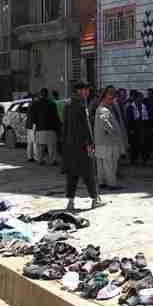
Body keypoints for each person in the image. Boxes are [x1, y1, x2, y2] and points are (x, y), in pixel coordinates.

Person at [63, 82, 102, 210]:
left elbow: (65, 126)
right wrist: (91, 143)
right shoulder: (81, 104)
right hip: (82, 145)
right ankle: (95, 199)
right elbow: (86, 126)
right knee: (89, 173)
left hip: (70, 146)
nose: (88, 92)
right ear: (81, 91)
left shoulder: (67, 104)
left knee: (72, 175)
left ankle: (70, 202)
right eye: (86, 90)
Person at [94, 86, 125, 191]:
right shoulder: (103, 109)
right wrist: (113, 133)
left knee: (102, 165)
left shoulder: (101, 108)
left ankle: (102, 182)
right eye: (109, 97)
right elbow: (105, 124)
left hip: (101, 142)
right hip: (108, 142)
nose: (111, 99)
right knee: (110, 164)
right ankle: (112, 184)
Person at [31, 88, 61, 166]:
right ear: (47, 95)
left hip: (40, 128)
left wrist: (36, 124)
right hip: (51, 128)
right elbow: (56, 117)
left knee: (40, 146)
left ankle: (40, 160)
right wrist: (58, 127)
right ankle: (53, 160)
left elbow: (33, 118)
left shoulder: (35, 104)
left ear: (40, 94)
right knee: (52, 147)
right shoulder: (52, 104)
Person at [127, 92, 151, 165]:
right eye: (139, 97)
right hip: (134, 127)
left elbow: (146, 117)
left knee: (143, 144)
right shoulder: (130, 107)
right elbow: (129, 119)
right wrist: (130, 129)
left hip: (142, 127)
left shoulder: (143, 106)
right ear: (135, 98)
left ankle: (144, 159)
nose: (141, 99)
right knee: (134, 144)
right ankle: (133, 160)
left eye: (141, 98)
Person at [25, 98, 38, 163]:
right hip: (33, 125)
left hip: (29, 125)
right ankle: (36, 157)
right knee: (35, 141)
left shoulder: (30, 104)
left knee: (30, 142)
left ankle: (30, 157)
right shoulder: (35, 105)